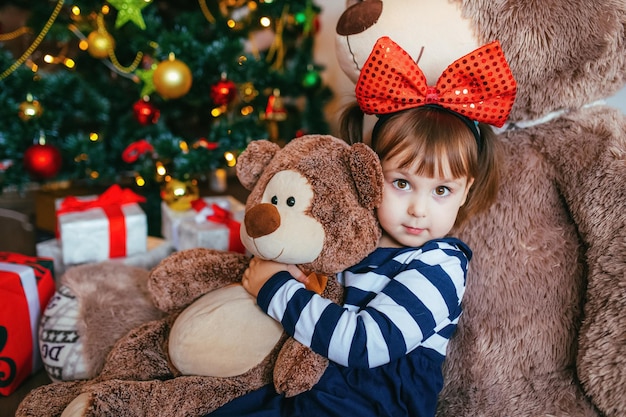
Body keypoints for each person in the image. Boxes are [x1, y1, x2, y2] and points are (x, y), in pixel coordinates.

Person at [208, 36, 516, 417]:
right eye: (401, 183)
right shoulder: (353, 240)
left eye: (441, 190)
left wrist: (274, 287)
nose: (419, 209)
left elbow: (364, 345)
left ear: (465, 191)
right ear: (371, 173)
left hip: (372, 405)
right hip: (312, 389)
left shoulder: (441, 265)